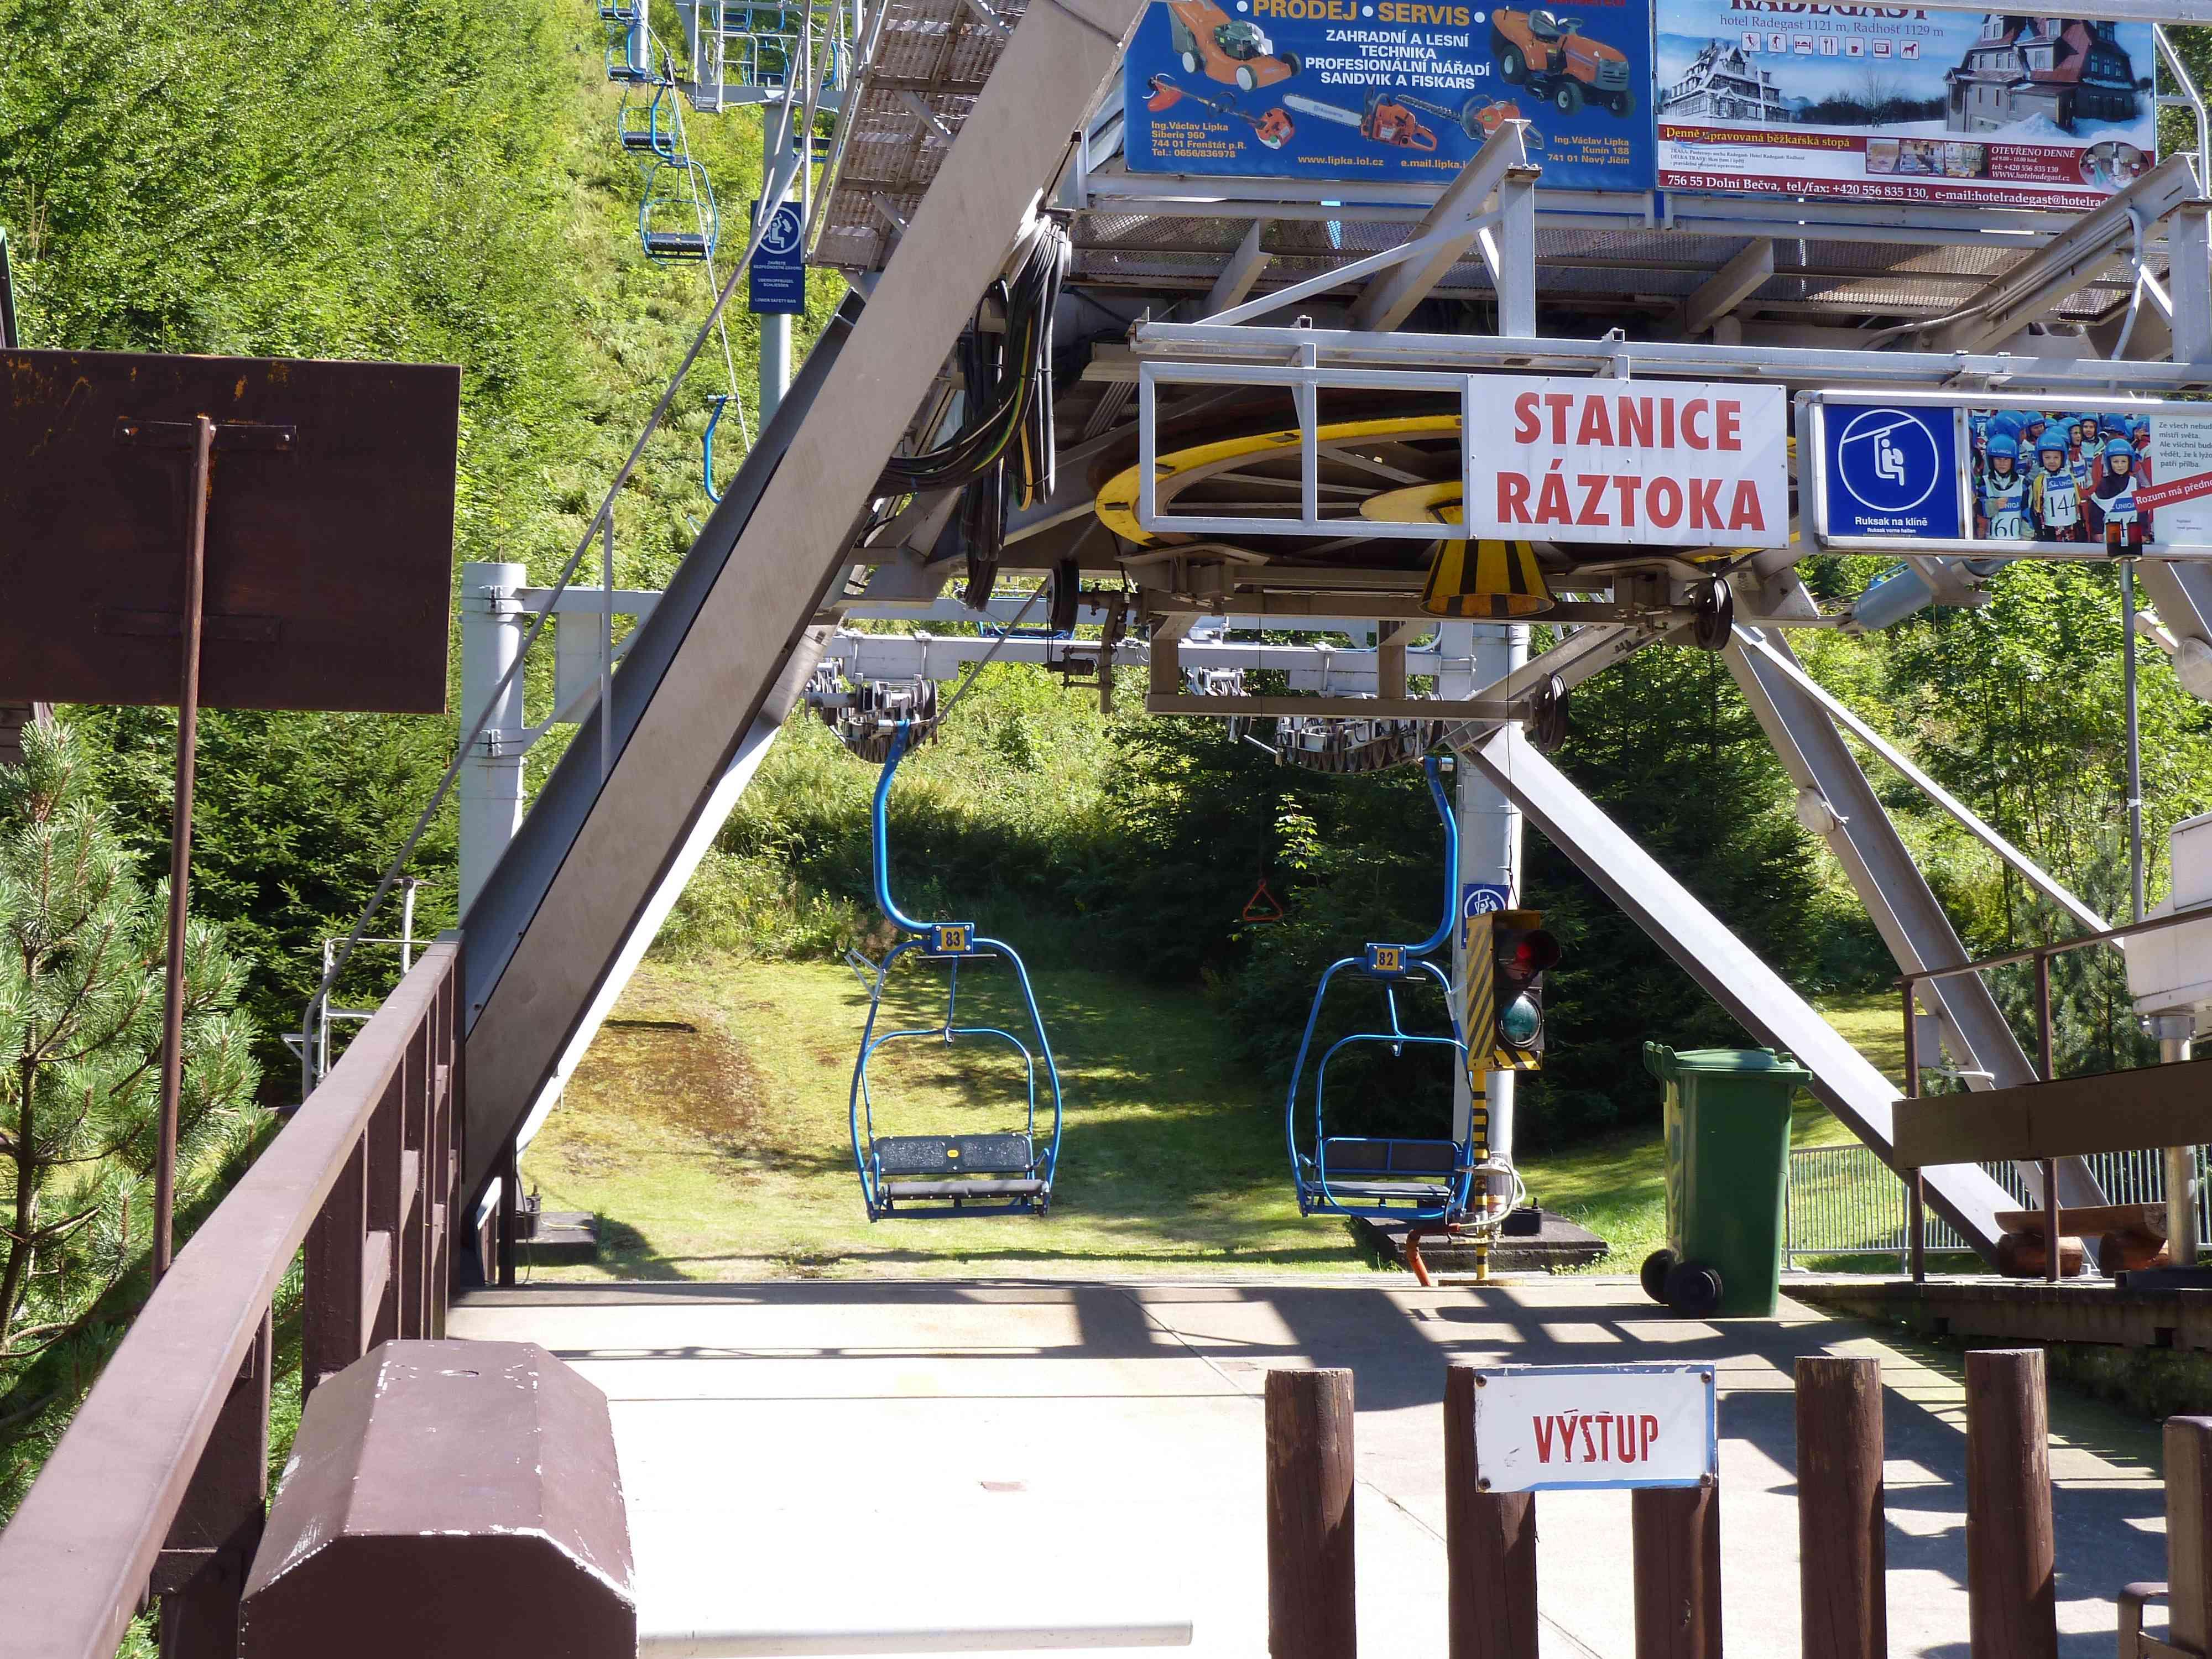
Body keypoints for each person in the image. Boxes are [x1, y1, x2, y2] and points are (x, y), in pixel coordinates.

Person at [2094, 435, 2148, 551]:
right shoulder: (2104, 484)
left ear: (2130, 462)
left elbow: (2142, 510)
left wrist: (2143, 531)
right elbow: (2096, 511)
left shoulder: (2135, 483)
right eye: (2116, 462)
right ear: (2109, 463)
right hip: (2111, 535)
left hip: (2133, 535)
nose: (2120, 466)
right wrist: (2097, 531)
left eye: (2124, 462)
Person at [2030, 430, 2084, 541]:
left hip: (2071, 527)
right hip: (2050, 529)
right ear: (2041, 458)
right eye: (2047, 458)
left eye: (2056, 458)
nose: (2052, 462)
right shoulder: (2040, 480)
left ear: (2062, 458)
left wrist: (2081, 524)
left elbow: (2077, 502)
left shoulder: (2070, 476)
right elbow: (2037, 509)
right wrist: (2040, 531)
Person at [1977, 434, 2031, 540]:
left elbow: (2028, 513)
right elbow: (1977, 510)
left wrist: (2026, 537)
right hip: (1991, 541)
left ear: (2013, 461)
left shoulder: (2022, 483)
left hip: (2016, 541)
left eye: (2006, 460)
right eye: (1998, 459)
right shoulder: (1985, 482)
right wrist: (1993, 505)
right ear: (1991, 460)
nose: (2002, 463)